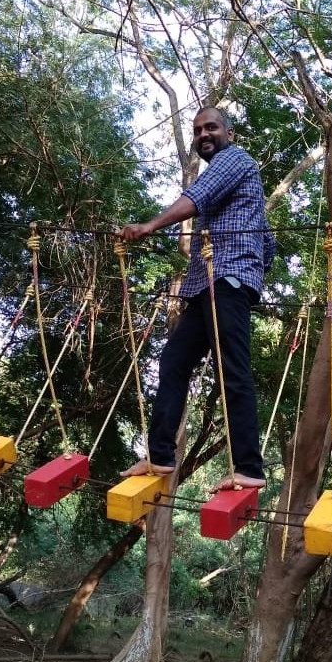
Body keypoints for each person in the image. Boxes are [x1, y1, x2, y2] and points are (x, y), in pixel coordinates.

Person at [119, 106, 276, 490]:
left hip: (227, 280)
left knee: (232, 369)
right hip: (209, 283)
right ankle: (159, 456)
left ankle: (250, 468)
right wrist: (252, 262)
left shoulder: (233, 159)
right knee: (173, 360)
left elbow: (197, 197)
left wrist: (148, 226)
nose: (204, 134)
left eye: (211, 127)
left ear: (229, 133)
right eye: (198, 130)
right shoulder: (237, 175)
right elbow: (268, 240)